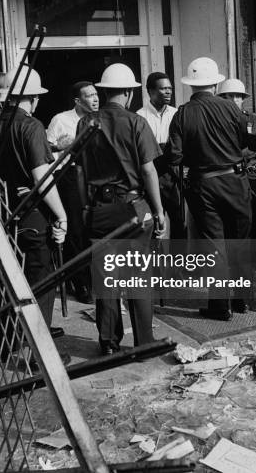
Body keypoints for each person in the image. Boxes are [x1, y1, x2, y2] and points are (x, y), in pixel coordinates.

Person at [76, 62, 166, 355]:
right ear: (128, 93)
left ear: (103, 92)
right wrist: (159, 210)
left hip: (99, 209)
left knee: (105, 278)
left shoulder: (85, 123)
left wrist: (85, 209)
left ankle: (109, 343)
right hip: (132, 207)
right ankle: (144, 342)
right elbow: (149, 171)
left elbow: (79, 172)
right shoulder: (136, 122)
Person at [0, 65, 70, 360]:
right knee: (41, 282)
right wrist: (61, 214)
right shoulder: (31, 126)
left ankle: (7, 341)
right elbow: (42, 177)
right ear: (34, 98)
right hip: (33, 214)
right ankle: (42, 356)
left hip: (6, 211)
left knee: (12, 280)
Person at [165, 58, 252, 321]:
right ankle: (241, 301)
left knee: (215, 246)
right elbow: (244, 141)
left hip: (203, 185)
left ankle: (219, 306)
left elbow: (174, 157)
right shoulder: (231, 109)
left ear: (190, 85)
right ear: (215, 84)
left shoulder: (182, 114)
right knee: (240, 242)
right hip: (235, 181)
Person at [46, 81, 99, 303]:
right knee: (75, 233)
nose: (96, 99)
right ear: (78, 100)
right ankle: (81, 284)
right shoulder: (61, 120)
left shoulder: (102, 118)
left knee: (92, 231)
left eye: (96, 94)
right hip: (69, 178)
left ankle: (96, 280)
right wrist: (60, 147)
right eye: (89, 95)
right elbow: (45, 150)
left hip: (94, 179)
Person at [218, 78, 256, 239]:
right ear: (222, 98)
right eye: (230, 96)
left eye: (238, 96)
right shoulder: (217, 122)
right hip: (229, 177)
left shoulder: (255, 120)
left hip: (253, 175)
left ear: (243, 99)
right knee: (234, 223)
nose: (234, 100)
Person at [137, 72, 186, 239]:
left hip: (173, 177)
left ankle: (178, 263)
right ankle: (156, 264)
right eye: (163, 88)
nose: (168, 92)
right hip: (149, 176)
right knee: (153, 224)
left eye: (170, 88)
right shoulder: (139, 117)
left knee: (179, 223)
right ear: (150, 91)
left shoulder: (177, 113)